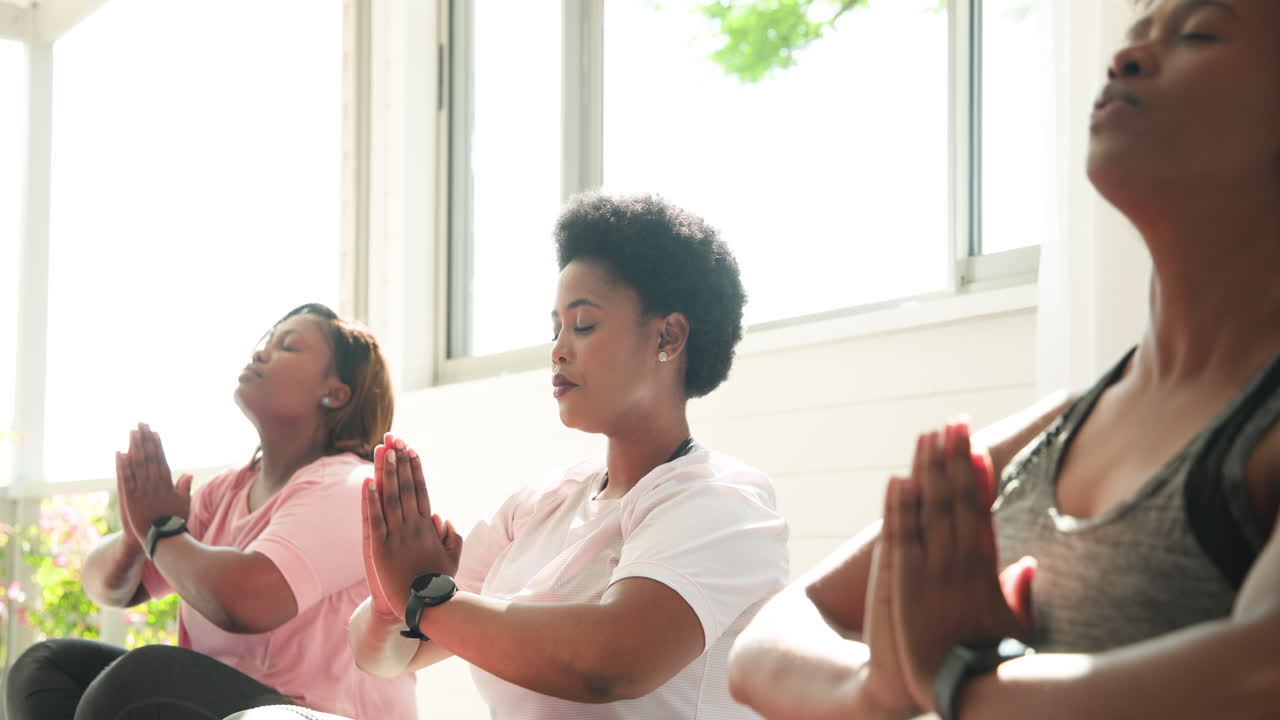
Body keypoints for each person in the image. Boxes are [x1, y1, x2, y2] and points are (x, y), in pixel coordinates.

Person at [727, 0, 1280, 717]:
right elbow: (773, 631)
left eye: (1199, 34)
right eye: (1134, 37)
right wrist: (877, 685)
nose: (1127, 59)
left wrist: (964, 681)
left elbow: (1261, 668)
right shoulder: (1054, 429)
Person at [239, 193, 790, 720]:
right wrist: (397, 593)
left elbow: (609, 663)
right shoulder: (539, 505)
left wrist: (425, 598)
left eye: (584, 324)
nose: (558, 349)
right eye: (555, 328)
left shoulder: (721, 499)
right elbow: (382, 656)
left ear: (668, 335)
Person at [5, 303, 412, 720]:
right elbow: (111, 589)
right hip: (232, 706)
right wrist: (137, 537)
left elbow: (249, 600)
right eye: (265, 343)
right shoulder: (228, 490)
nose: (260, 354)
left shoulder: (349, 486)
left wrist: (161, 532)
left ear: (335, 393)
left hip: (317, 715)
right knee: (49, 666)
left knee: (146, 677)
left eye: (287, 346)